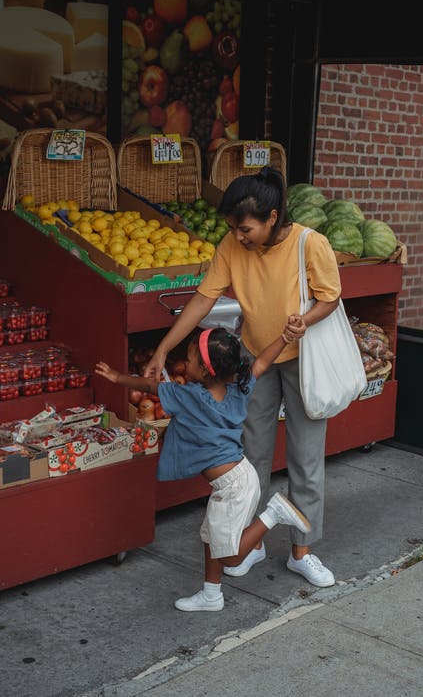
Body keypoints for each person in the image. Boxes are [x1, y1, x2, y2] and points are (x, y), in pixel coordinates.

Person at [144, 166, 341, 587]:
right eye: (233, 228)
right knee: (250, 453)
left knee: (306, 458)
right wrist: (164, 348)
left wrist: (304, 321)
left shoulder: (311, 243)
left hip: (304, 359)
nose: (238, 236)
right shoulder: (232, 248)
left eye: (245, 227)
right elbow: (202, 300)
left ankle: (302, 550)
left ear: (272, 217)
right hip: (254, 361)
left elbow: (330, 297)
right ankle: (251, 542)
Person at [95, 326, 311, 612]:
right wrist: (283, 338)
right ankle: (212, 594)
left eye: (191, 359)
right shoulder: (238, 390)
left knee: (231, 558)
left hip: (234, 487)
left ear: (205, 372)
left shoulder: (188, 396)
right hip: (237, 480)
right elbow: (261, 362)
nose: (186, 363)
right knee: (210, 537)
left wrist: (116, 377)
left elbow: (149, 387)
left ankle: (274, 514)